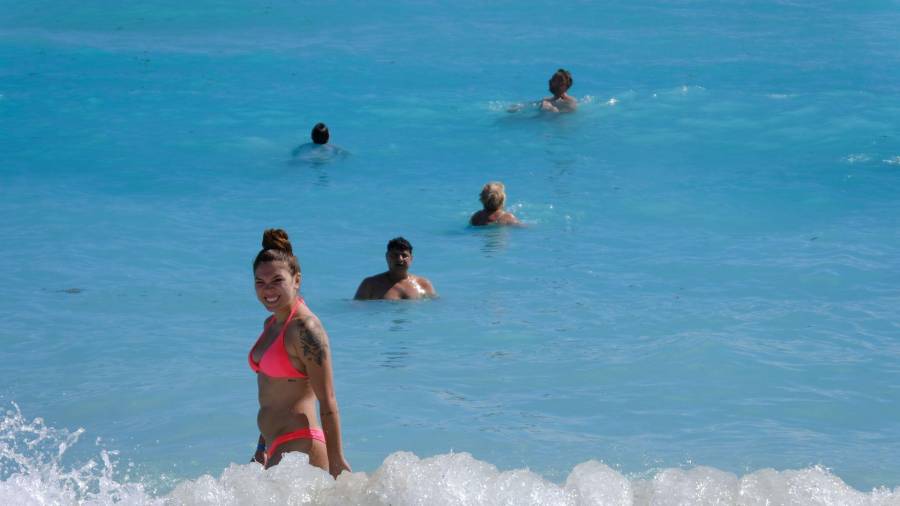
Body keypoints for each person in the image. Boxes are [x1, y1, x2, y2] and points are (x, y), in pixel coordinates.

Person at [248, 229, 351, 478]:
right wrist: (262, 447)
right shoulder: (271, 325)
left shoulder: (306, 329)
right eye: (260, 282)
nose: (267, 290)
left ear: (296, 279)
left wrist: (336, 460)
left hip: (300, 444)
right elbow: (273, 392)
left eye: (277, 280)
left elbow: (328, 400)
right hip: (275, 447)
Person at [354, 237, 437, 300]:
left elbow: (434, 310)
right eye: (395, 255)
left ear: (411, 258)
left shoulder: (423, 284)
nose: (400, 259)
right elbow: (357, 312)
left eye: (404, 256)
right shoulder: (370, 285)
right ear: (387, 257)